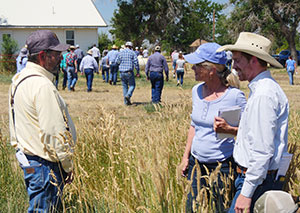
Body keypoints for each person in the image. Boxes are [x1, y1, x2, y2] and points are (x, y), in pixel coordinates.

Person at [217, 32, 289, 213]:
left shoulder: (263, 95)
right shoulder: (263, 90)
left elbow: (263, 150)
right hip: (258, 179)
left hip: (256, 181)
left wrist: (246, 193)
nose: (234, 67)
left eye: (238, 60)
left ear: (254, 60)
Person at [8, 30, 76, 212]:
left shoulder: (18, 80)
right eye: (56, 54)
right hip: (46, 164)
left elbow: (14, 123)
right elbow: (54, 132)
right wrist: (67, 164)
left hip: (31, 161)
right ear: (42, 56)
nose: (60, 58)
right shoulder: (43, 85)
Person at [180, 42, 247, 212]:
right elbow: (193, 125)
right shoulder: (196, 91)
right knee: (192, 208)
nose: (193, 69)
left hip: (223, 165)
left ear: (211, 70)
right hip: (196, 164)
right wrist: (186, 157)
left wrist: (230, 130)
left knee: (221, 208)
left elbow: (250, 132)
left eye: (197, 65)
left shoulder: (235, 96)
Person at [116, 41, 140, 105]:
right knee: (132, 85)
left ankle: (126, 102)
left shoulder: (120, 53)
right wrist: (137, 71)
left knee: (125, 87)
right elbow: (136, 63)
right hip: (129, 72)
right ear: (131, 47)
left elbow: (117, 62)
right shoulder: (132, 53)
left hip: (121, 72)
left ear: (125, 46)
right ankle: (128, 95)